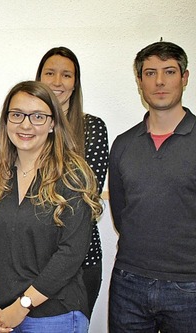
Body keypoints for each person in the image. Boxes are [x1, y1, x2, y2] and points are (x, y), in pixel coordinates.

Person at [0, 81, 102, 333]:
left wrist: (23, 304)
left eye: (37, 116)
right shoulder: (0, 176)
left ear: (53, 123)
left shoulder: (72, 176)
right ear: (6, 121)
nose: (25, 125)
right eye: (17, 115)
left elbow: (71, 253)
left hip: (54, 316)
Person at [109, 41, 196, 332]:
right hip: (128, 282)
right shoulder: (123, 144)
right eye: (150, 73)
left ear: (184, 78)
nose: (159, 81)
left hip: (189, 285)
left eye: (169, 71)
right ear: (139, 81)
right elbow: (122, 213)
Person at [35, 46, 109, 317]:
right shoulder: (25, 128)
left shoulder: (92, 128)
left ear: (75, 83)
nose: (57, 82)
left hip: (81, 259)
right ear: (38, 78)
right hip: (31, 259)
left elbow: (87, 198)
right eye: (50, 73)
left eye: (66, 75)